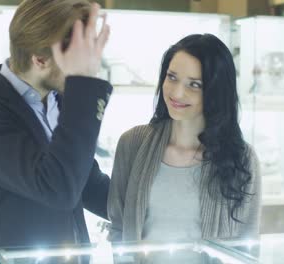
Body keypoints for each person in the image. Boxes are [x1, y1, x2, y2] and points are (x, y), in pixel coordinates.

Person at [0, 0, 111, 249]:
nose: (90, 65)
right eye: (77, 58)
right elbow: (57, 188)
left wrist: (148, 213)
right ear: (40, 59)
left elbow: (87, 182)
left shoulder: (56, 99)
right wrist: (83, 86)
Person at [108, 34, 261, 246]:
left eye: (194, 85)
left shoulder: (242, 158)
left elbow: (247, 243)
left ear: (215, 92)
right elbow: (117, 227)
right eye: (172, 77)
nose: (177, 93)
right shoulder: (132, 143)